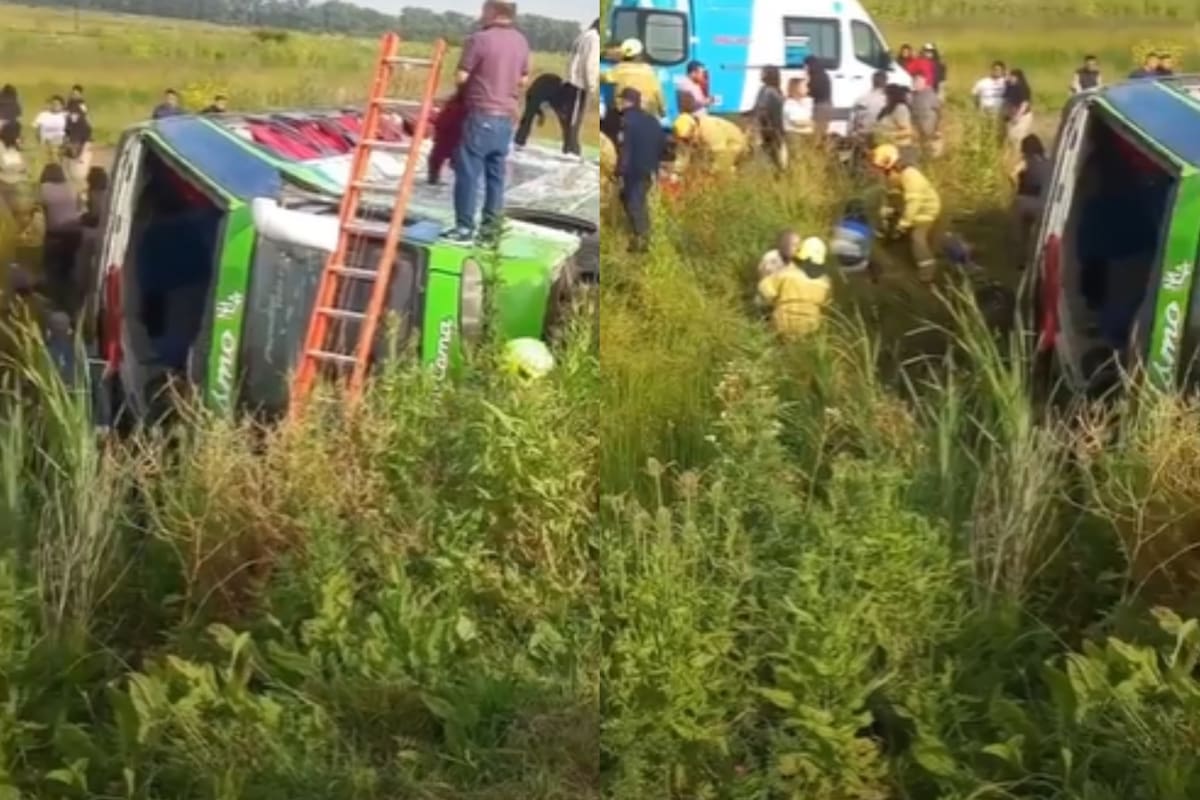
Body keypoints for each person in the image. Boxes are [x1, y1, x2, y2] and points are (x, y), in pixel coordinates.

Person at [447, 0, 531, 242]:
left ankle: (464, 228)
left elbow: (462, 76)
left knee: (468, 173)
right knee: (496, 175)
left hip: (481, 113)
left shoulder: (479, 39)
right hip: (506, 117)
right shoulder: (521, 41)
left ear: (493, 12)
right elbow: (524, 79)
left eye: (484, 9)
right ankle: (491, 230)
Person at [871, 143, 942, 284]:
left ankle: (927, 273)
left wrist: (903, 224)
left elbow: (914, 203)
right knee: (887, 232)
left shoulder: (910, 175)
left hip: (925, 210)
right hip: (908, 209)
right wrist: (886, 213)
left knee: (917, 238)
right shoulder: (892, 174)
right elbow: (892, 197)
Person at [617, 88, 665, 253]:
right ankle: (639, 235)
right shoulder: (652, 120)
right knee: (632, 200)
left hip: (634, 170)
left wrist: (620, 171)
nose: (620, 103)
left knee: (634, 204)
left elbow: (626, 149)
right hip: (650, 169)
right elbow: (662, 146)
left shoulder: (626, 121)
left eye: (622, 100)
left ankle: (643, 243)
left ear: (627, 102)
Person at [756, 235, 833, 339]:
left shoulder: (786, 274)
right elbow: (827, 305)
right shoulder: (825, 283)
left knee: (760, 300)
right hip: (810, 329)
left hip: (781, 325)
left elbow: (763, 290)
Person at [602, 38, 666, 145]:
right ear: (640, 54)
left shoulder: (619, 69)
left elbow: (605, 77)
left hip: (624, 114)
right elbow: (658, 92)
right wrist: (662, 111)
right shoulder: (649, 70)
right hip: (646, 113)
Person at [40, 163, 83, 313]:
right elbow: (79, 207)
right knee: (69, 269)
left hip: (55, 235)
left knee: (52, 270)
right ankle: (71, 306)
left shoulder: (44, 189)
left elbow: (42, 213)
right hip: (75, 234)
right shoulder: (72, 187)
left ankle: (56, 304)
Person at [561, 19, 599, 156]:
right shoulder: (594, 40)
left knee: (571, 115)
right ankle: (572, 148)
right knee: (576, 117)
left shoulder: (583, 36)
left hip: (572, 80)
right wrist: (592, 85)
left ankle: (568, 146)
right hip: (580, 83)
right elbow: (590, 63)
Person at [672, 108, 749, 175]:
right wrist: (676, 173)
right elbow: (682, 155)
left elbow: (721, 153)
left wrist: (712, 171)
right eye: (684, 140)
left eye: (687, 139)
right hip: (716, 148)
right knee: (701, 165)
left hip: (734, 145)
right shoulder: (685, 133)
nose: (687, 142)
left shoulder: (709, 129)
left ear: (694, 129)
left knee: (721, 171)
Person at [1011, 134, 1050, 265]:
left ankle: (1021, 253)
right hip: (1047, 202)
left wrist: (1015, 183)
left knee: (1019, 208)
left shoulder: (1030, 161)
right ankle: (1027, 253)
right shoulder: (1047, 160)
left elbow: (1015, 177)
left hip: (1037, 203)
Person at [429, 88, 467, 185]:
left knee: (437, 157)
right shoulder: (462, 106)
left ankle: (434, 176)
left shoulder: (453, 106)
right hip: (456, 137)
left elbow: (441, 121)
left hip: (449, 136)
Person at [830, 199, 875, 278]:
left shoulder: (841, 222)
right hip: (857, 263)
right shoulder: (865, 227)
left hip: (838, 259)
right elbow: (866, 250)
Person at [753, 66, 786, 170]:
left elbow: (762, 109)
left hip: (768, 128)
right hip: (777, 128)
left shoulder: (767, 91)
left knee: (770, 155)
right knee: (776, 154)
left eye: (763, 72)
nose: (761, 74)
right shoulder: (777, 91)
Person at [875, 85, 917, 164]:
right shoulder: (886, 110)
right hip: (887, 148)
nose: (884, 98)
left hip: (901, 149)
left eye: (886, 95)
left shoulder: (900, 108)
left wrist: (890, 135)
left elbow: (908, 130)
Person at [910, 72, 943, 157]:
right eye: (915, 82)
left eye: (919, 82)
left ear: (924, 82)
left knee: (933, 152)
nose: (916, 84)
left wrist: (938, 129)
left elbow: (938, 111)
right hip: (918, 130)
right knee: (921, 151)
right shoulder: (912, 96)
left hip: (931, 129)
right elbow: (911, 113)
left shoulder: (930, 94)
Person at [849, 71, 889, 140]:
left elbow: (852, 120)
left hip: (868, 136)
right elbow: (852, 119)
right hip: (871, 136)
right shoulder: (861, 99)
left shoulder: (861, 99)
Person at [1003, 68, 1034, 154]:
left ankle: (1018, 157)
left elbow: (1024, 103)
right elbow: (1007, 101)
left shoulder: (1022, 87)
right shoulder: (1009, 87)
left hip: (1022, 116)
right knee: (1011, 138)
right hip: (1012, 115)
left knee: (1018, 138)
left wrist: (1017, 116)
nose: (1009, 78)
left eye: (1011, 76)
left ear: (1016, 77)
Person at [63, 108, 93, 195]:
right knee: (69, 176)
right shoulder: (68, 123)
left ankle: (80, 194)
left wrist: (81, 154)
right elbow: (66, 137)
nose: (73, 116)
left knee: (79, 175)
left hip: (81, 154)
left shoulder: (85, 126)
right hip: (69, 155)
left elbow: (87, 141)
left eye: (75, 114)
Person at [783, 77, 814, 156]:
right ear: (796, 88)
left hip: (806, 135)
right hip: (796, 136)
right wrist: (811, 122)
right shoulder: (790, 103)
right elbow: (796, 121)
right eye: (804, 86)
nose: (807, 88)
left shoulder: (806, 102)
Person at [804, 56, 834, 140]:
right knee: (821, 131)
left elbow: (813, 92)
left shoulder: (816, 77)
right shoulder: (823, 74)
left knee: (818, 133)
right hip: (825, 106)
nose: (805, 68)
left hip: (821, 107)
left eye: (806, 66)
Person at [0, 121, 27, 210]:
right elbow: (5, 166)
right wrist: (21, 167)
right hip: (7, 182)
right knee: (14, 210)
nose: (20, 134)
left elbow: (20, 158)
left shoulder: (13, 143)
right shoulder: (1, 147)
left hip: (16, 180)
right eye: (18, 132)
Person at [33, 95, 68, 162]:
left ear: (62, 106)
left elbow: (69, 131)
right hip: (44, 145)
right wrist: (39, 141)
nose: (54, 105)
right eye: (53, 104)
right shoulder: (43, 115)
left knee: (56, 162)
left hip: (59, 145)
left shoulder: (65, 116)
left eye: (57, 104)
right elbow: (36, 129)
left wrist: (65, 144)